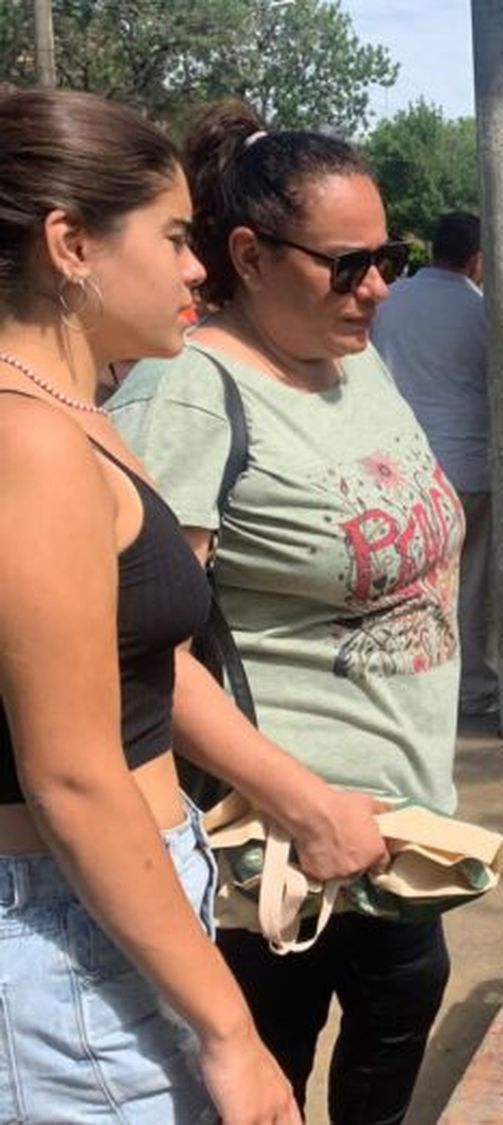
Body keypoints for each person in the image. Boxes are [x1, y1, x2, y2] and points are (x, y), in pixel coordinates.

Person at [0, 85, 394, 1125]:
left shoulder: (69, 410)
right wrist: (230, 1033)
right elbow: (75, 777)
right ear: (71, 242)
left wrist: (299, 796)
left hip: (115, 897)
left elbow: (132, 665)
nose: (193, 266)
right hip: (67, 926)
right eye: (175, 237)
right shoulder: (28, 443)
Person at [108, 100, 464, 1125]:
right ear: (252, 255)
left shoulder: (357, 362)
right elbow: (140, 651)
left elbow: (427, 530)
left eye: (385, 255)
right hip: (273, 850)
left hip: (399, 825)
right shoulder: (188, 393)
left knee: (394, 1040)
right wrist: (304, 802)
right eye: (346, 264)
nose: (378, 287)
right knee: (263, 1090)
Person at [371, 211, 497, 716]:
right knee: (469, 585)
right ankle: (471, 687)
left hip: (398, 468)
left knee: (404, 583)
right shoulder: (483, 311)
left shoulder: (388, 300)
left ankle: (405, 682)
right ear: (477, 260)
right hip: (468, 465)